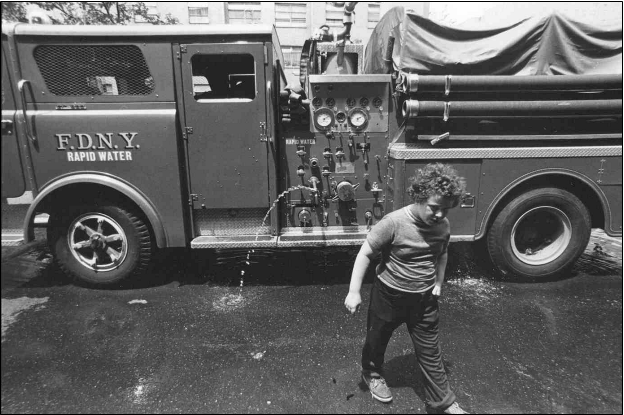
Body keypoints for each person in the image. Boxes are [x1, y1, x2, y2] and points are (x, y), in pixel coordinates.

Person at [344, 163, 469, 414]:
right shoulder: (394, 222)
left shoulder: (442, 227)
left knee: (430, 351)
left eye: (445, 210)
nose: (439, 215)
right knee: (377, 338)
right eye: (434, 208)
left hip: (423, 300)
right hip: (389, 295)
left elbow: (442, 255)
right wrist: (354, 291)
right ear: (420, 197)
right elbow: (365, 254)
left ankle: (443, 402)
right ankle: (372, 372)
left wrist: (438, 283)